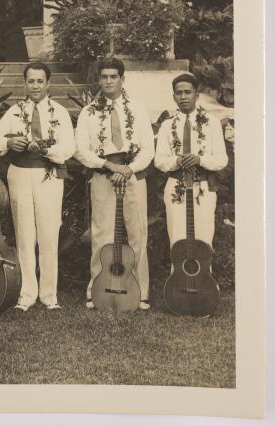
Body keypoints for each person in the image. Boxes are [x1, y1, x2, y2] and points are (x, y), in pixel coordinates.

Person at [0, 62, 75, 311]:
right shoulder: (14, 111)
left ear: (48, 84)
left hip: (47, 174)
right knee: (24, 234)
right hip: (20, 174)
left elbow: (69, 147)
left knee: (49, 234)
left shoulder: (59, 112)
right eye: (30, 81)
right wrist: (10, 142)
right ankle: (26, 294)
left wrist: (48, 150)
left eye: (40, 81)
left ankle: (49, 295)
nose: (35, 86)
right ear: (24, 84)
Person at [74, 58, 154, 310]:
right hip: (103, 175)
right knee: (102, 233)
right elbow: (80, 149)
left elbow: (148, 149)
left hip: (132, 176)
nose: (108, 81)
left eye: (113, 76)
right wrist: (109, 166)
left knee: (137, 232)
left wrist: (129, 169)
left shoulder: (138, 109)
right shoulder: (89, 112)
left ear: (122, 78)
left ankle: (140, 292)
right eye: (104, 77)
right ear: (99, 80)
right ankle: (96, 290)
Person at [154, 73, 228, 251]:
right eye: (179, 93)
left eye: (188, 92)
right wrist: (178, 161)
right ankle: (177, 278)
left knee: (203, 242)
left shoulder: (211, 123)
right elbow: (159, 161)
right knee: (177, 242)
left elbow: (221, 159)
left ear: (197, 95)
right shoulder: (167, 125)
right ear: (174, 97)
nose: (183, 96)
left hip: (203, 187)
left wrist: (199, 159)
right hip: (175, 187)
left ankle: (204, 278)